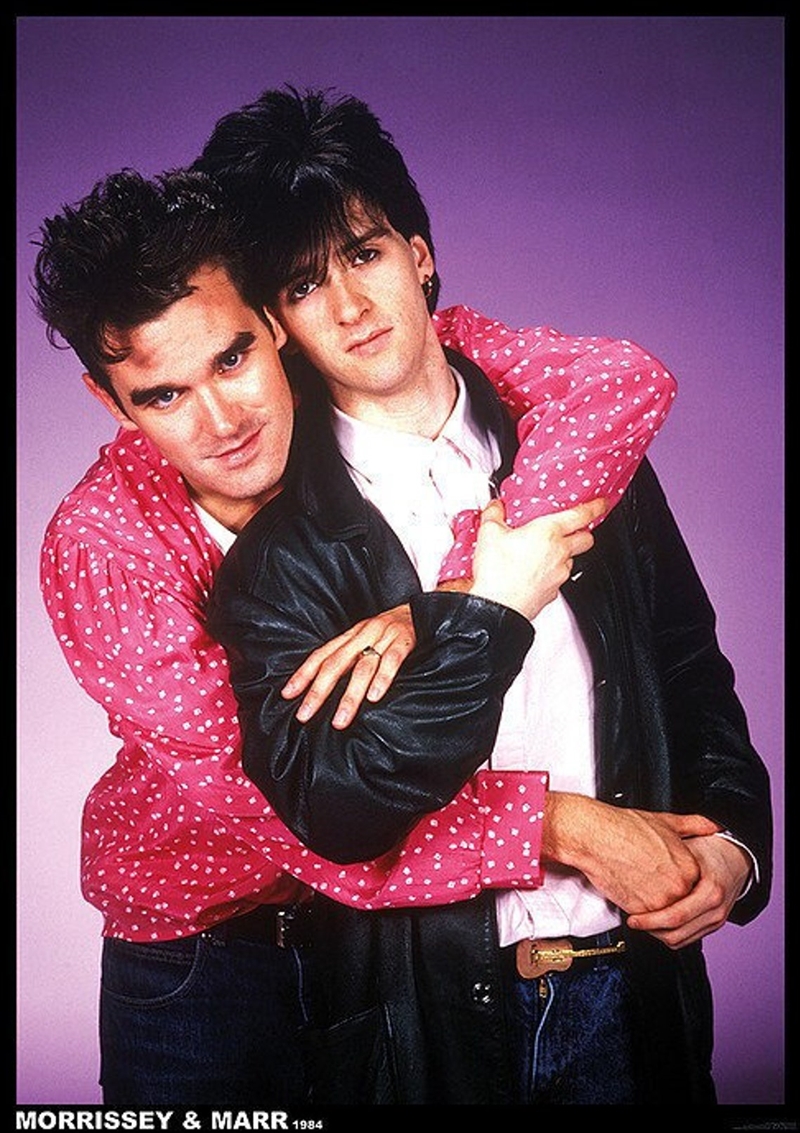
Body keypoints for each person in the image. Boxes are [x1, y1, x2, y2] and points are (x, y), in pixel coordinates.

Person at [32, 160, 673, 1105]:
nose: (222, 421)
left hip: (374, 945)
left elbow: (617, 381)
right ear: (110, 400)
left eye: (232, 359)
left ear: (273, 326)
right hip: (205, 955)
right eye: (162, 395)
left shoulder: (359, 369)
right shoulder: (105, 551)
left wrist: (446, 599)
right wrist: (563, 823)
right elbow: (290, 806)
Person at [198, 86, 773, 1105]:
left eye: (364, 253)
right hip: (423, 1027)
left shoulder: (583, 454)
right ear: (278, 322)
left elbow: (688, 666)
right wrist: (488, 610)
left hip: (630, 990)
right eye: (303, 283)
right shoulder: (279, 562)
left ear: (419, 254)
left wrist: (732, 846)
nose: (350, 305)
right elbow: (336, 805)